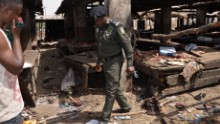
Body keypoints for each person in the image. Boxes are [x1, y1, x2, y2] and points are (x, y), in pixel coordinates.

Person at [89, 6, 135, 122]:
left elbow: (128, 47)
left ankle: (105, 118)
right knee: (114, 85)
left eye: (98, 19)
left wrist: (130, 64)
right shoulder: (99, 28)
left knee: (110, 90)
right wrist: (98, 62)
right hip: (105, 62)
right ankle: (125, 106)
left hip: (115, 61)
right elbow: (100, 46)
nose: (96, 22)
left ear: (104, 17)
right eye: (95, 20)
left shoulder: (114, 27)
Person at [0, 0, 24, 123]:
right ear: (6, 10)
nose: (18, 18)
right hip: (6, 114)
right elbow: (17, 68)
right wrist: (16, 36)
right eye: (17, 13)